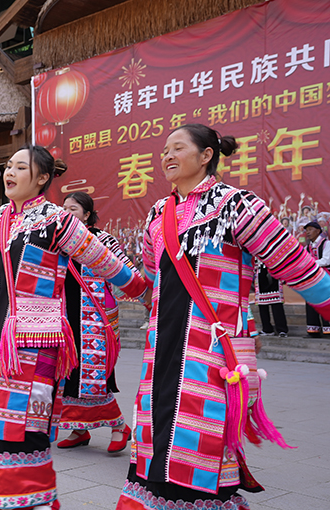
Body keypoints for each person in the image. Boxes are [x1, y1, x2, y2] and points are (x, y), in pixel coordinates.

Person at [116, 124, 330, 510]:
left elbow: (292, 261)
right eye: (164, 149)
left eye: (178, 148)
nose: (166, 156)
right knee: (156, 428)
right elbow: (152, 275)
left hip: (213, 345)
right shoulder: (157, 213)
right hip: (161, 344)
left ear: (206, 156)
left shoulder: (237, 205)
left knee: (199, 435)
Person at [0, 146, 146, 510]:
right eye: (8, 166)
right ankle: (16, 496)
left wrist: (141, 290)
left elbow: (101, 258)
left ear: (42, 178)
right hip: (3, 335)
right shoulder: (0, 219)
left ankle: (30, 496)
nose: (10, 172)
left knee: (28, 421)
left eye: (21, 167)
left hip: (39, 337)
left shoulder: (56, 219)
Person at [56, 191, 139, 454]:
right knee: (71, 373)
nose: (66, 214)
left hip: (95, 318)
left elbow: (127, 272)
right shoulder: (58, 243)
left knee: (94, 376)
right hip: (67, 318)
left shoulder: (102, 240)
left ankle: (119, 426)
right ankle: (80, 429)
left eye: (73, 210)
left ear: (87, 215)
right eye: (64, 209)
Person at [304, 221, 330, 337]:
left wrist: (309, 263)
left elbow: (326, 260)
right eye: (306, 230)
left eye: (310, 229)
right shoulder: (307, 247)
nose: (307, 232)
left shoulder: (326, 244)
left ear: (318, 231)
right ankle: (313, 330)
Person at [254, 259, 289, 338]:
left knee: (276, 304)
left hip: (273, 272)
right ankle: (267, 329)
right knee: (262, 305)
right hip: (260, 273)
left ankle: (282, 329)